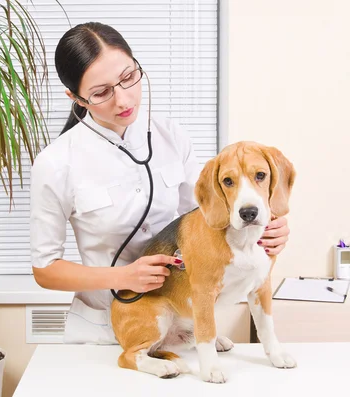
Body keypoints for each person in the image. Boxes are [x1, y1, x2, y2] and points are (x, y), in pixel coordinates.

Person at [30, 22, 291, 344]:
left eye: (128, 78)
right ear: (76, 98)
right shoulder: (56, 163)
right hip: (101, 328)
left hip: (181, 321)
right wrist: (123, 276)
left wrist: (264, 227)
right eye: (101, 93)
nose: (123, 100)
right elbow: (45, 270)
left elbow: (205, 219)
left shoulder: (171, 135)